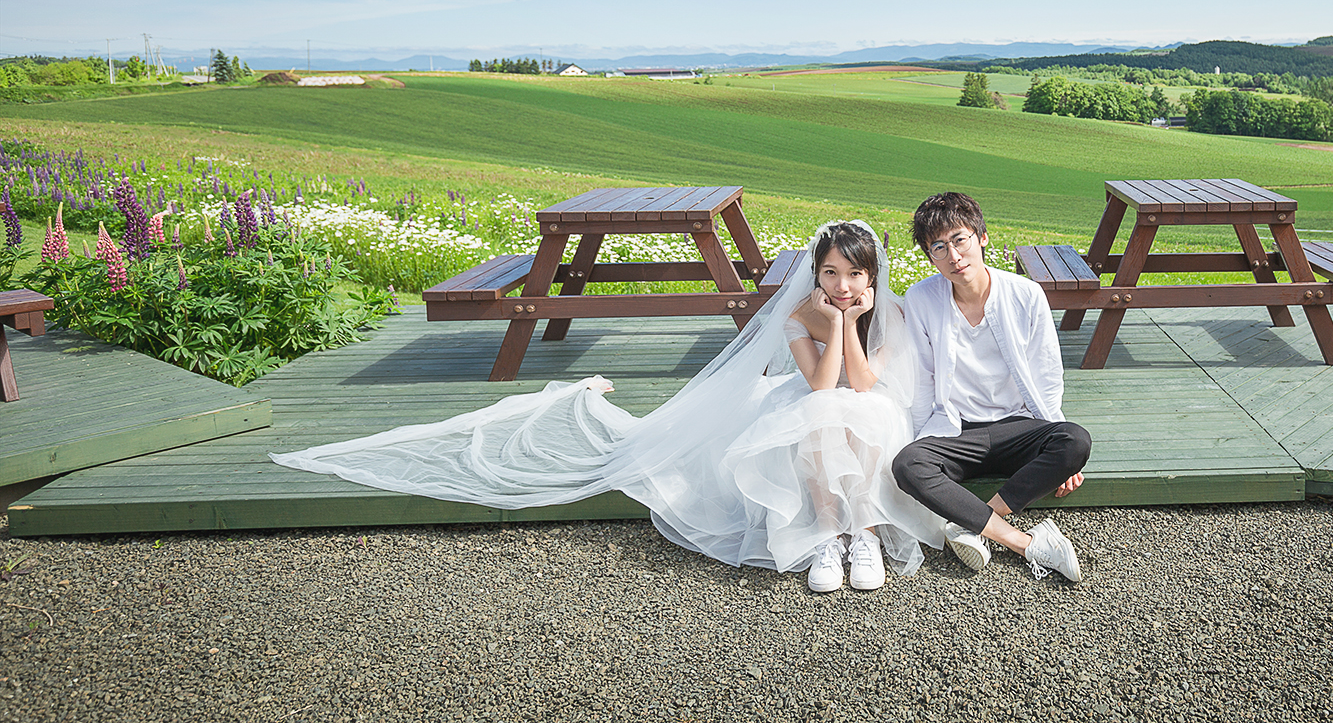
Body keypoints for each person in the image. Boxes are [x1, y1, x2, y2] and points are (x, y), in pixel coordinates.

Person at [272, 221, 941, 592]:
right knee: (815, 422)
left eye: (856, 275)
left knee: (851, 421)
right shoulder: (801, 312)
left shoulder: (894, 314)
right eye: (831, 273)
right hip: (816, 394)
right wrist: (832, 322)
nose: (844, 284)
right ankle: (830, 537)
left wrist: (852, 324)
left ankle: (868, 536)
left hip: (869, 403)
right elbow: (821, 388)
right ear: (816, 274)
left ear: (872, 276)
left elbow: (860, 385)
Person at [892, 192, 1091, 582]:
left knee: (1075, 441)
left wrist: (1061, 454)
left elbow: (1048, 373)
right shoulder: (920, 298)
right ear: (930, 256)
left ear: (982, 237)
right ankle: (1025, 543)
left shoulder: (1025, 293)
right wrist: (918, 437)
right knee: (907, 464)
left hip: (1017, 427)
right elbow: (921, 377)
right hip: (957, 429)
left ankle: (973, 524)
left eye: (960, 239)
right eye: (938, 247)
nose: (953, 255)